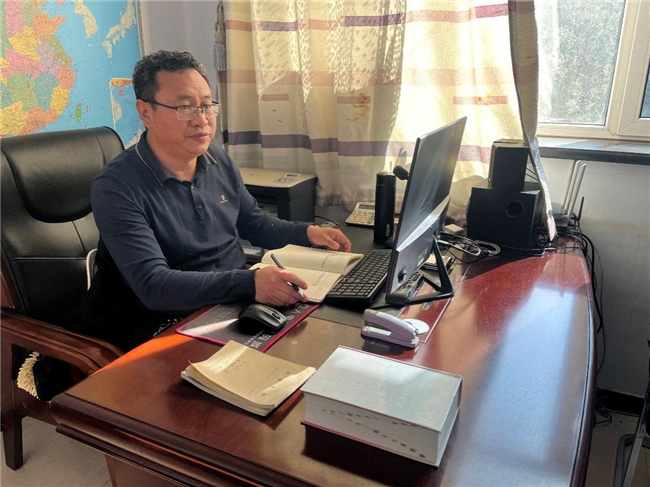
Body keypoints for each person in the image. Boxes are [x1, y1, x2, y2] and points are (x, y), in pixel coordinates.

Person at [87, 50, 351, 350]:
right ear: (146, 112)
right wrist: (249, 283)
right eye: (185, 108)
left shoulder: (215, 157)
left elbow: (253, 223)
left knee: (329, 341)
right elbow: (154, 286)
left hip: (234, 303)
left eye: (206, 106)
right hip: (164, 324)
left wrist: (309, 233)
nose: (201, 120)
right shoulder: (117, 186)